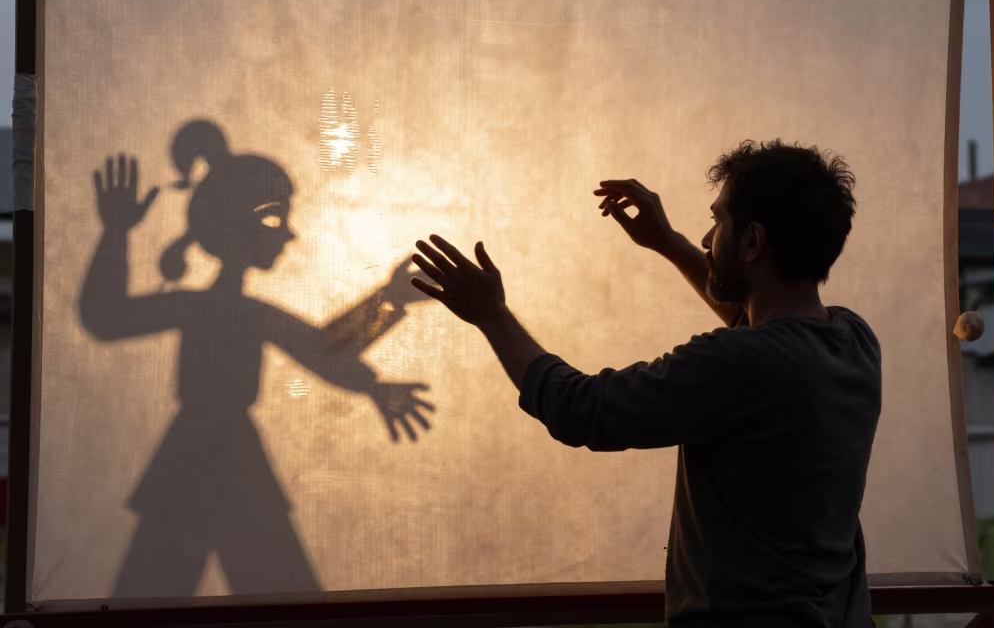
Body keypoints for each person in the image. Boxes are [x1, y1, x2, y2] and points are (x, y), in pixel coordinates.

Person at [411, 139, 881, 628]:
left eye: (719, 222)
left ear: (753, 242)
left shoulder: (739, 363)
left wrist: (492, 315)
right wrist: (667, 241)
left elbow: (579, 409)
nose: (705, 238)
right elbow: (757, 330)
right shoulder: (854, 340)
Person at [81, 120, 433, 597]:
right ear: (235, 223)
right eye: (273, 217)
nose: (288, 233)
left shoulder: (237, 312)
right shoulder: (212, 309)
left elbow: (323, 351)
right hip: (214, 464)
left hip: (208, 462)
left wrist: (387, 313)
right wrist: (115, 235)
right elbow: (107, 318)